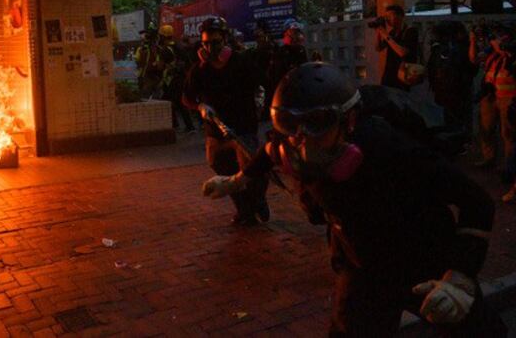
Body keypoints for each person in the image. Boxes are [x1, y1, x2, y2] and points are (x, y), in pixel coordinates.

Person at [202, 62, 504, 337]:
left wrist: (458, 280)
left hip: (422, 256)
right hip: (361, 265)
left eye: (317, 123)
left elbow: (476, 201)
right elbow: (268, 155)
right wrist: (236, 182)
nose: (301, 140)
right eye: (289, 125)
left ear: (349, 121)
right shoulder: (290, 142)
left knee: (479, 331)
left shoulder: (390, 150)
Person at [183, 17, 269, 226]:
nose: (210, 47)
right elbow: (187, 97)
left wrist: (259, 103)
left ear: (225, 40)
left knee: (250, 168)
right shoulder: (199, 69)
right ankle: (244, 210)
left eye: (215, 42)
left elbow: (261, 85)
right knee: (219, 165)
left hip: (242, 126)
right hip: (215, 128)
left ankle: (258, 200)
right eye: (205, 43)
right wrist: (200, 106)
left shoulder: (241, 62)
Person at [471, 24, 516, 179]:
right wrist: (473, 41)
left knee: (508, 132)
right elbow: (474, 59)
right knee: (486, 128)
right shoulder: (492, 52)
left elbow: (507, 54)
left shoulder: (510, 50)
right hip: (490, 95)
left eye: (501, 35)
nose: (497, 39)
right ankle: (489, 157)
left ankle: (509, 166)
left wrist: (496, 45)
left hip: (508, 97)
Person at [426, 21, 476, 140]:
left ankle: (459, 141)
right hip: (455, 90)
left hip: (451, 90)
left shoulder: (441, 48)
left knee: (453, 120)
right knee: (458, 120)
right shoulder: (460, 47)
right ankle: (461, 141)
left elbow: (431, 68)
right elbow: (472, 68)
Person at [158, 24, 195, 134]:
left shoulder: (164, 50)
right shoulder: (180, 46)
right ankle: (186, 126)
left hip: (171, 80)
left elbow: (160, 66)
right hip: (181, 78)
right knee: (179, 102)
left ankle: (179, 125)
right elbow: (188, 63)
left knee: (168, 101)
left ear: (163, 36)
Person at [375, 4, 419, 90]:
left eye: (389, 16)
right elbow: (378, 48)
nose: (387, 19)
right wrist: (379, 32)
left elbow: (402, 52)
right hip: (389, 74)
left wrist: (386, 35)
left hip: (402, 74)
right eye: (386, 17)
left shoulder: (410, 31)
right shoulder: (392, 32)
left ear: (400, 16)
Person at [267, 18, 308, 98]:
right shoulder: (281, 53)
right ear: (286, 34)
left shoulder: (301, 51)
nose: (297, 35)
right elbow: (276, 77)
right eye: (294, 32)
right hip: (285, 93)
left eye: (298, 32)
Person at [134, 26, 162, 99]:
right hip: (157, 76)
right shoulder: (158, 49)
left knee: (144, 99)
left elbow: (137, 60)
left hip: (145, 76)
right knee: (158, 99)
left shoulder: (141, 49)